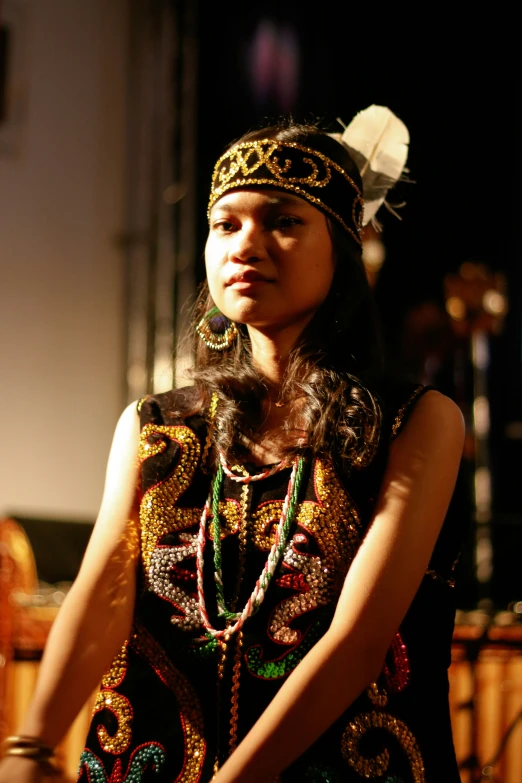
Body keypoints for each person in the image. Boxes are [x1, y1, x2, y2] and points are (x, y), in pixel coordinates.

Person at [0, 120, 465, 783]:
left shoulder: (414, 422)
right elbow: (105, 586)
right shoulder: (157, 427)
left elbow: (360, 641)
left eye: (282, 221)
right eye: (226, 224)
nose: (246, 244)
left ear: (343, 248)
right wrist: (33, 745)